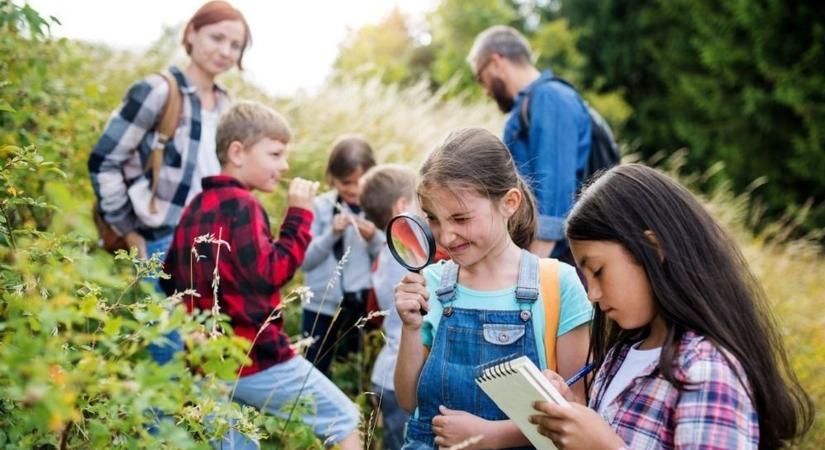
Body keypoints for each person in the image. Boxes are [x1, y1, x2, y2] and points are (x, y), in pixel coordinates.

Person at [529, 164, 813, 449]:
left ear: (653, 248)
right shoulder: (620, 356)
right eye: (585, 277)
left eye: (599, 270)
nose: (592, 294)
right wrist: (573, 413)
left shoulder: (705, 371)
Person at [160, 101, 361, 449]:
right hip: (257, 357)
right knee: (343, 420)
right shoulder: (244, 205)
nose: (284, 166)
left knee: (235, 444)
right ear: (237, 152)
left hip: (208, 363)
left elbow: (167, 280)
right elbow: (271, 272)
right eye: (275, 154)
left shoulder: (195, 206)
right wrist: (299, 216)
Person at [394, 128, 592, 449]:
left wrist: (493, 436)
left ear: (509, 202)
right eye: (434, 219)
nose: (445, 236)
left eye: (461, 218)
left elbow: (578, 407)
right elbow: (407, 400)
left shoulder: (557, 284)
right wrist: (410, 327)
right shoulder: (430, 283)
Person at [89, 0, 251, 260]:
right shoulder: (159, 90)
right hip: (162, 242)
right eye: (217, 38)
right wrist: (128, 231)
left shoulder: (227, 105)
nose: (225, 51)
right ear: (191, 33)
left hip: (211, 242)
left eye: (235, 45)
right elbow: (103, 162)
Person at [467, 25, 591, 264]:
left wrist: (530, 275)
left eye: (480, 78)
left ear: (496, 62)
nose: (485, 91)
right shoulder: (530, 106)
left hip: (558, 259)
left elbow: (553, 198)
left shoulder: (549, 97)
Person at [301, 135, 382, 375]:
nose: (355, 191)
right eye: (347, 183)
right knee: (313, 370)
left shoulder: (379, 208)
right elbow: (305, 261)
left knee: (359, 371)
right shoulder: (319, 207)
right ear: (331, 179)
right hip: (320, 306)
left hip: (362, 306)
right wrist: (331, 234)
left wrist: (374, 239)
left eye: (361, 182)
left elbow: (388, 258)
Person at [359, 164, 418, 450]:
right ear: (402, 206)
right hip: (399, 379)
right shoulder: (407, 252)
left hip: (386, 372)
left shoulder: (384, 251)